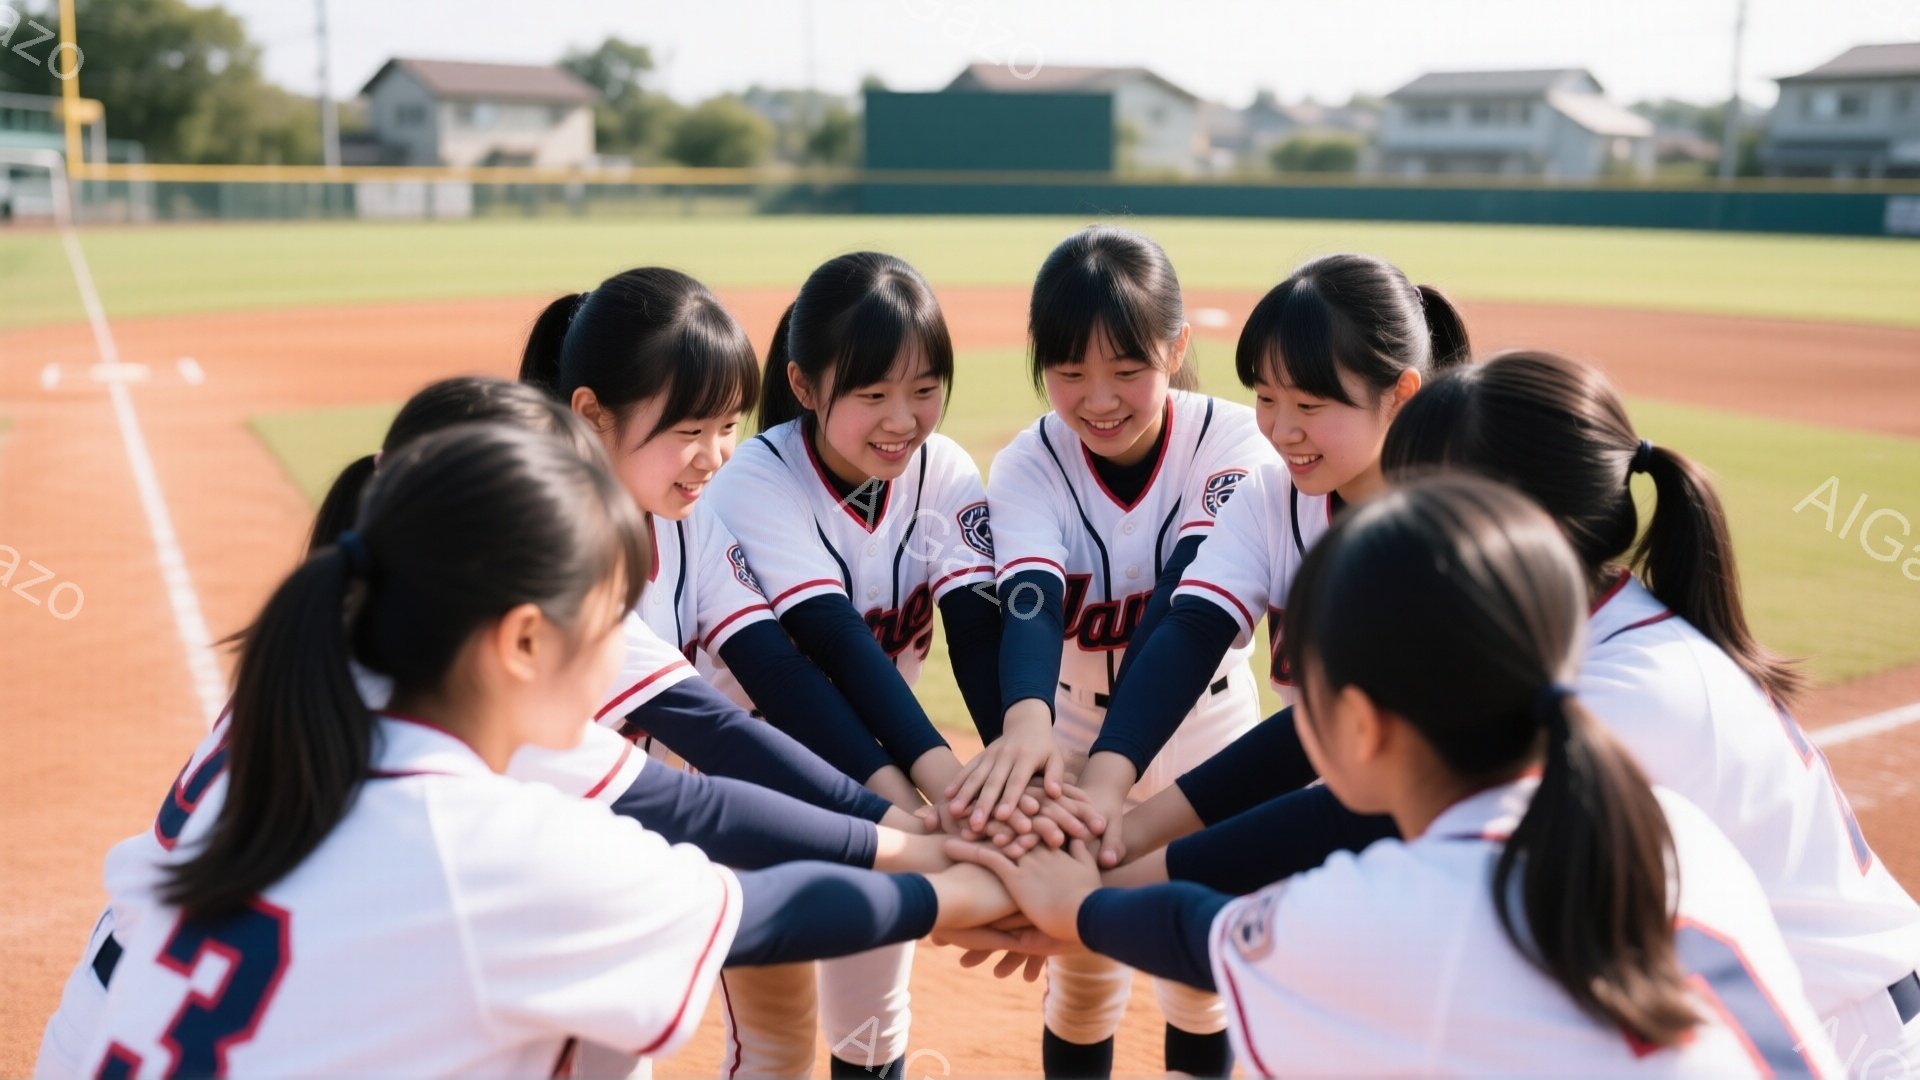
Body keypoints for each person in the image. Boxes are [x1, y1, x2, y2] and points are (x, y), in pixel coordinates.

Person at [78, 423, 1012, 1078]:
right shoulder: (496, 847)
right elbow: (755, 911)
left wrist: (933, 853)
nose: (636, 649)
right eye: (614, 619)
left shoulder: (316, 706)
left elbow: (702, 809)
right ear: (523, 640)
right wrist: (985, 886)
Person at [950, 474, 1844, 1078]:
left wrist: (1074, 906)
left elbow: (1208, 934)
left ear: (1363, 721)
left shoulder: (1396, 914)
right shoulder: (1656, 825)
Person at [954, 225, 1276, 1077]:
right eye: (1069, 373)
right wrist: (1024, 725)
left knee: (1202, 968)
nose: (1098, 399)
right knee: (1082, 974)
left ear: (1175, 349)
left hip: (1209, 732)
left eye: (1127, 371)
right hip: (1066, 736)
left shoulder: (1234, 443)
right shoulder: (1031, 462)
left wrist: (1111, 778)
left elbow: (1183, 610)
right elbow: (1029, 598)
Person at [704, 252, 1014, 1077]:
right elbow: (820, 653)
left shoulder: (942, 471)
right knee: (772, 1042)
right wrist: (938, 800)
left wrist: (1005, 783)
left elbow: (976, 636)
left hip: (882, 773)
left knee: (873, 1025)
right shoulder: (754, 478)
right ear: (805, 388)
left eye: (924, 389)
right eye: (872, 394)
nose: (903, 419)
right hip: (758, 780)